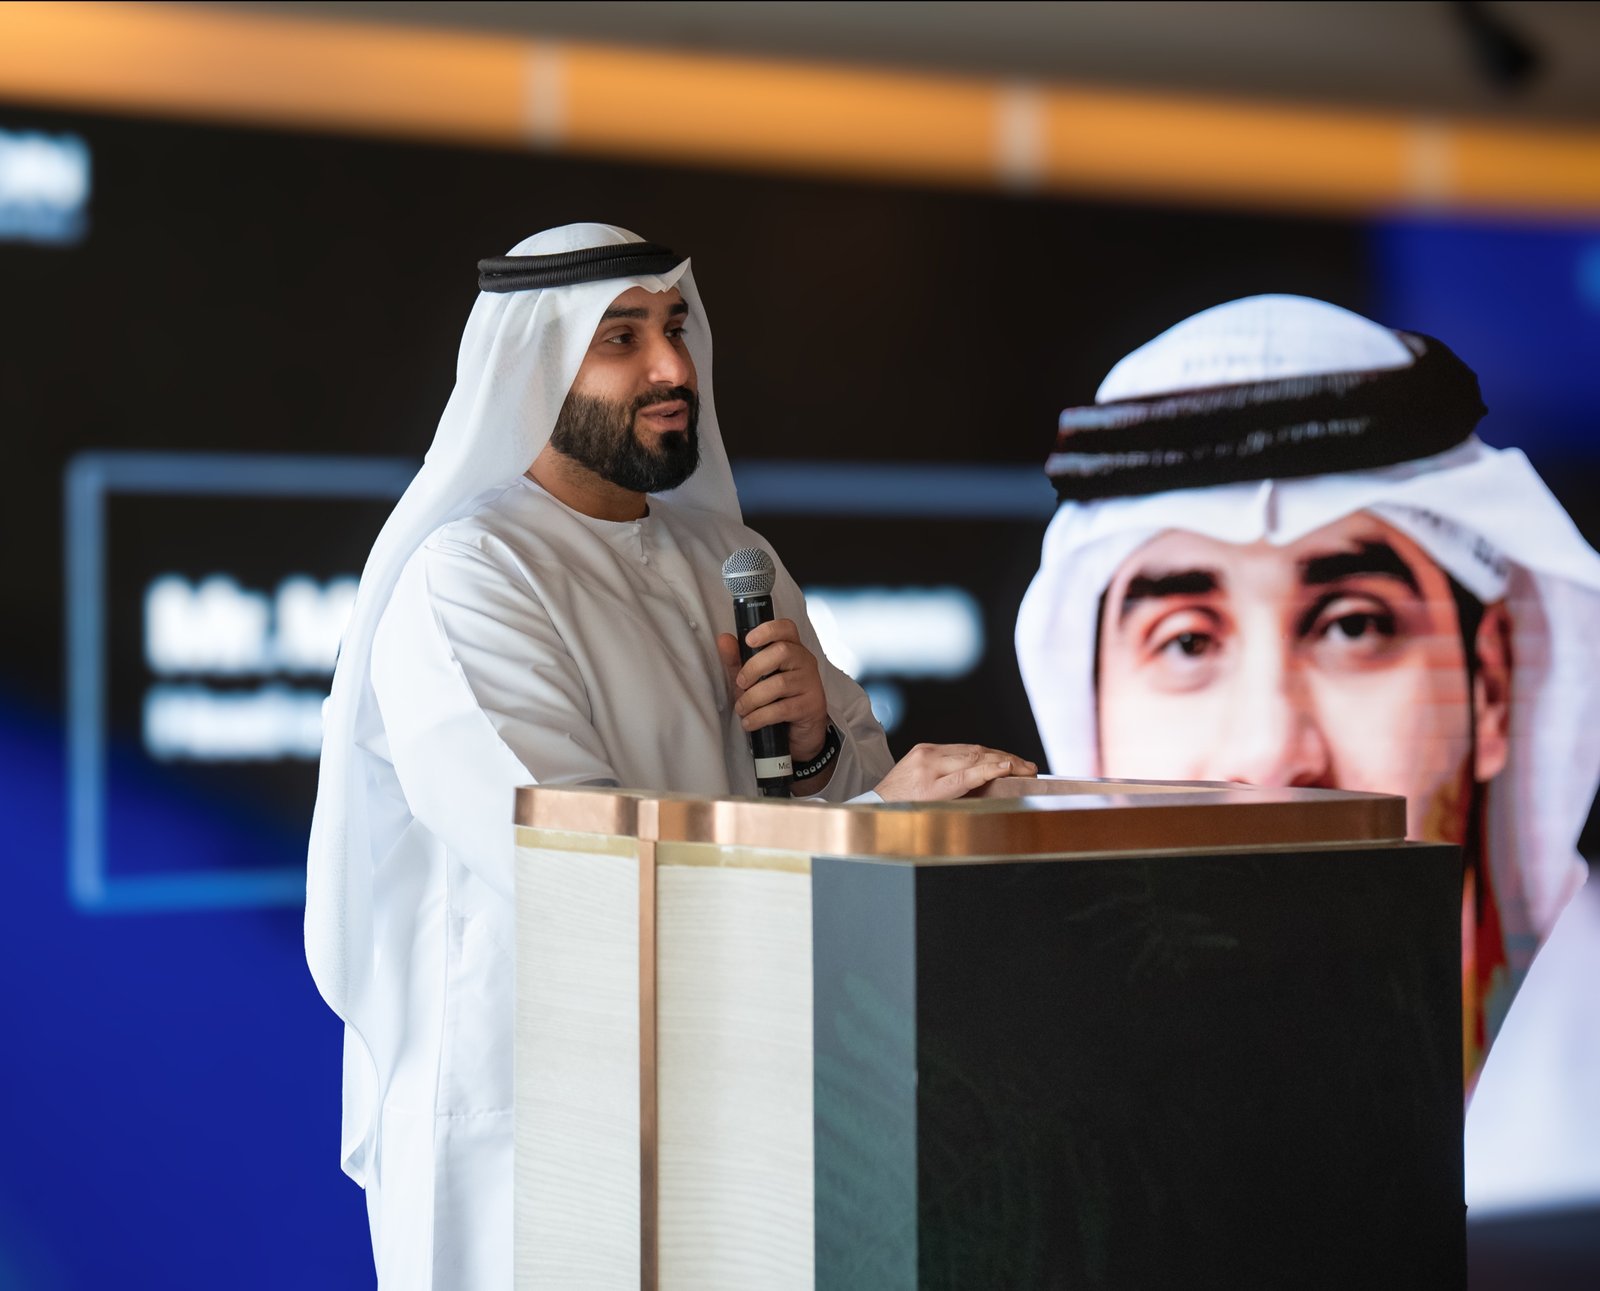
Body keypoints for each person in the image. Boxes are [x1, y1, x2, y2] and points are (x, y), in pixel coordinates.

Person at [305, 223, 1032, 1289]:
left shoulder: (729, 560)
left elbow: (851, 781)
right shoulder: (470, 577)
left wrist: (819, 753)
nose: (672, 369)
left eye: (676, 328)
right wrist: (877, 826)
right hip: (540, 1140)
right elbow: (576, 875)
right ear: (536, 365)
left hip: (743, 1099)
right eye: (621, 337)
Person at [1015, 292, 1600, 1210]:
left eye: (1352, 626)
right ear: (1093, 721)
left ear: (1490, 687)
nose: (1273, 755)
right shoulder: (1015, 1138)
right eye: (1187, 641)